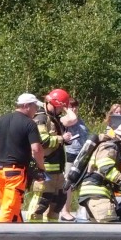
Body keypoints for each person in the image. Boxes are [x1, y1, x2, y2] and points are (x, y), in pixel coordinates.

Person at [0, 93, 44, 222]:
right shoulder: (29, 124)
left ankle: (18, 238)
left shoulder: (2, 119)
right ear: (26, 106)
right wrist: (41, 167)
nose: (36, 110)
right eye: (35, 107)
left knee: (11, 206)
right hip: (15, 172)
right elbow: (36, 149)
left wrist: (2, 149)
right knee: (9, 209)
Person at [25, 88, 76, 223]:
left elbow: (73, 119)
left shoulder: (54, 118)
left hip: (57, 170)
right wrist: (61, 139)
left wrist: (65, 108)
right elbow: (42, 141)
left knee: (59, 202)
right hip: (45, 168)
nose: (60, 111)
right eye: (59, 108)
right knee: (41, 202)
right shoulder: (41, 118)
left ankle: (52, 233)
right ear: (52, 104)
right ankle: (33, 232)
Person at [58, 99, 91, 221]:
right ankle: (64, 211)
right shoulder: (63, 120)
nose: (74, 109)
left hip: (82, 155)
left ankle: (82, 209)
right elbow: (71, 119)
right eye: (71, 106)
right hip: (70, 155)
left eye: (76, 106)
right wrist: (66, 110)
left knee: (83, 184)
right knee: (68, 183)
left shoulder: (80, 120)